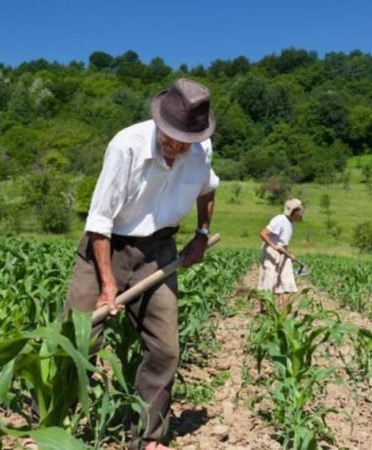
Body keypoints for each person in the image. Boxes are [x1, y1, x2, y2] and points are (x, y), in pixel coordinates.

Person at [64, 78, 218, 450]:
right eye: (170, 134)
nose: (175, 144)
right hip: (108, 247)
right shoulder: (126, 145)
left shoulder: (201, 151)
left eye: (184, 139)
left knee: (165, 350)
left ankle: (149, 437)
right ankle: (49, 422)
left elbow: (208, 188)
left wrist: (201, 233)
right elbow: (100, 221)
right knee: (78, 340)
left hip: (159, 251)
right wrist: (107, 285)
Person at [257, 198, 304, 309]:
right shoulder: (279, 219)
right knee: (268, 282)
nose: (302, 212)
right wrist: (274, 246)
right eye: (300, 210)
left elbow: (282, 242)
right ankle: (265, 311)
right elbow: (263, 233)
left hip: (283, 252)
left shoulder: (290, 223)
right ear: (294, 212)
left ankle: (283, 314)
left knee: (288, 283)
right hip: (271, 253)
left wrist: (289, 253)